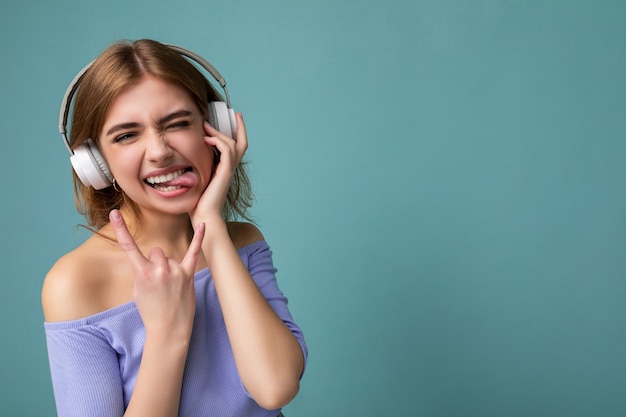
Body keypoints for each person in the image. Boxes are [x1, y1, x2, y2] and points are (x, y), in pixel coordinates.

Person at [42, 39, 307, 417]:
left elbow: (275, 387)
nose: (160, 151)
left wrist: (211, 229)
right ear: (96, 164)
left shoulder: (243, 243)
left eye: (178, 123)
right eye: (126, 135)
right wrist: (167, 334)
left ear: (215, 130)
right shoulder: (76, 282)